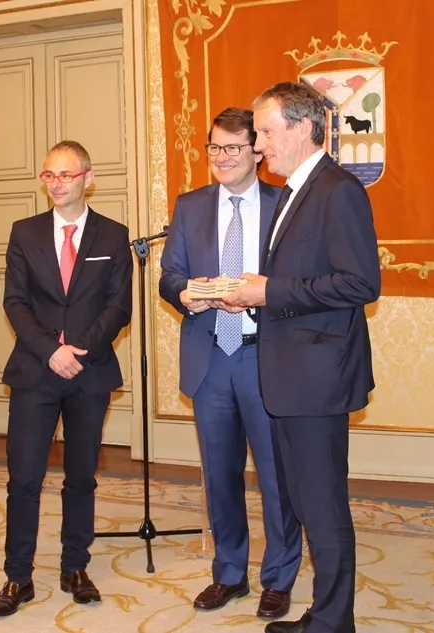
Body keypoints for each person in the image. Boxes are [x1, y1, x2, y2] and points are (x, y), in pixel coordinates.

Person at [223, 82, 381, 633]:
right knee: (307, 502)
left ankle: (334, 622)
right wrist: (257, 290)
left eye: (266, 133)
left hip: (317, 379)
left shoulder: (337, 190)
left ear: (303, 128)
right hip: (291, 377)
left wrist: (270, 291)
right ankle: (324, 613)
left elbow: (361, 283)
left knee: (323, 506)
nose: (257, 145)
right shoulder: (296, 190)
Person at [159, 107, 303, 620]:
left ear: (256, 151)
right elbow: (169, 275)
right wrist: (185, 293)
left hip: (265, 356)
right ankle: (229, 573)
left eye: (233, 148)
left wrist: (260, 295)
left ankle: (279, 578)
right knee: (219, 476)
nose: (222, 157)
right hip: (210, 358)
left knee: (275, 478)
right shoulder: (190, 206)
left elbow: (296, 280)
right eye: (214, 148)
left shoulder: (284, 204)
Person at [0, 140, 133, 618]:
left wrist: (78, 351)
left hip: (90, 372)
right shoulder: (24, 232)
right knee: (24, 478)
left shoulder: (114, 236)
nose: (56, 183)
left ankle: (75, 567)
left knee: (81, 477)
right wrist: (52, 351)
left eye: (66, 175)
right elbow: (15, 302)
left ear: (88, 178)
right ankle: (18, 575)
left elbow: (118, 306)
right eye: (49, 175)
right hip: (36, 371)